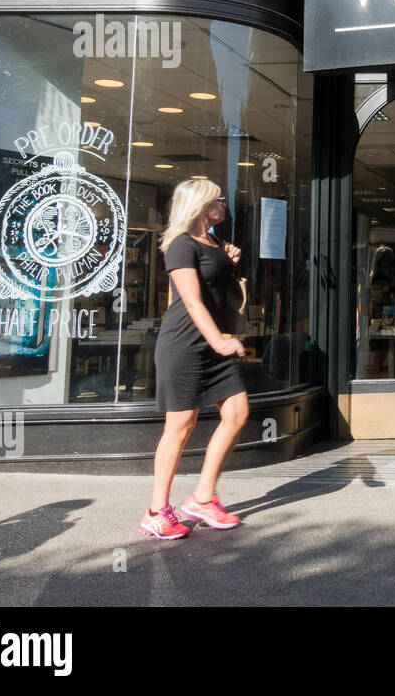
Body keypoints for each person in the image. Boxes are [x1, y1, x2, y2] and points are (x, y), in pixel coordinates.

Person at [140, 179, 249, 540]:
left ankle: (203, 498)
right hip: (185, 344)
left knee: (237, 413)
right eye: (218, 199)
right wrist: (219, 341)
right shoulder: (180, 246)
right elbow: (191, 300)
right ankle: (157, 511)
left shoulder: (214, 242)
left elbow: (218, 289)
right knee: (181, 426)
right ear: (202, 205)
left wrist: (230, 263)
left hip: (213, 344)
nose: (224, 203)